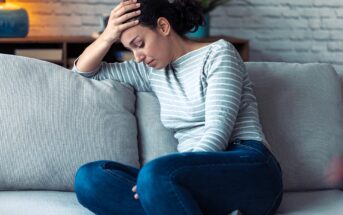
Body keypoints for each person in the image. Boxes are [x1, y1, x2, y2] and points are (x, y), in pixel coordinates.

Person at [72, 0, 283, 214]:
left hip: (248, 166)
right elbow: (85, 72)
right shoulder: (151, 73)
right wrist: (108, 35)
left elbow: (217, 134)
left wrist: (161, 179)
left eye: (139, 44)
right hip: (188, 179)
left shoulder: (219, 54)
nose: (137, 58)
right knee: (89, 178)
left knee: (153, 175)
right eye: (130, 49)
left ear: (163, 27)